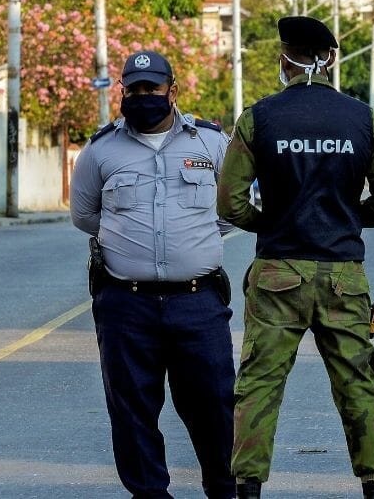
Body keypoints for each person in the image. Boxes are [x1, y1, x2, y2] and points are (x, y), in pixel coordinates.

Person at [216, 16, 374, 499]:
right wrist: (346, 217)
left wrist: (277, 222)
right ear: (331, 59)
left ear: (284, 59)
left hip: (278, 272)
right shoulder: (365, 120)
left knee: (259, 384)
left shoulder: (259, 118)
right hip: (344, 276)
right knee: (357, 385)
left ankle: (248, 488)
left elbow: (230, 204)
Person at [70, 50, 236, 499]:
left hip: (198, 302)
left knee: (216, 408)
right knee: (132, 411)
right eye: (135, 89)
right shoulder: (101, 149)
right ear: (123, 91)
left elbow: (230, 212)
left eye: (152, 89)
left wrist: (189, 244)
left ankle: (224, 491)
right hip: (127, 304)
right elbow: (86, 215)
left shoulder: (212, 144)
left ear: (172, 91)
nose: (143, 97)